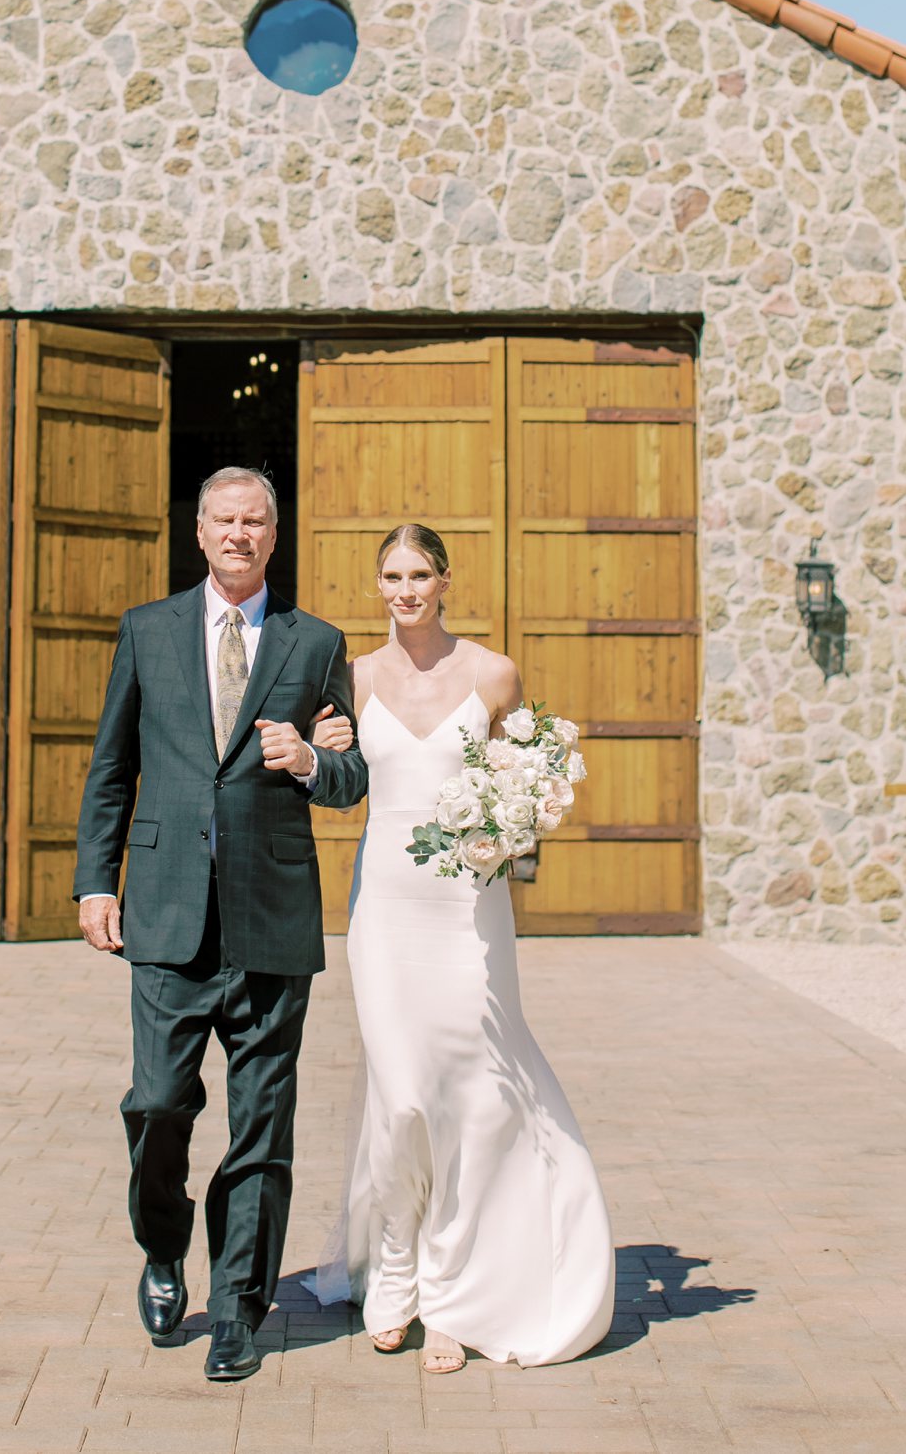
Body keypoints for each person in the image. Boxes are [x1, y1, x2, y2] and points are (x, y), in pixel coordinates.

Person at [74, 467, 368, 1384]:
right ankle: (163, 1249)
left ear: (274, 536)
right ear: (198, 532)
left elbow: (352, 777)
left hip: (272, 915)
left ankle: (240, 1305)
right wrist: (96, 883)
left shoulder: (317, 642)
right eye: (223, 520)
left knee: (261, 1125)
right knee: (158, 1103)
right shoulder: (147, 630)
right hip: (165, 913)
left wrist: (311, 760)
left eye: (255, 521)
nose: (239, 534)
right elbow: (112, 766)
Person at [308, 522, 615, 1372]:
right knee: (403, 1096)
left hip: (468, 911)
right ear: (378, 586)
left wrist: (521, 824)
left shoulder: (493, 674)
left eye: (419, 575)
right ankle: (392, 1270)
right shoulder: (352, 677)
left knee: (472, 1099)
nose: (405, 590)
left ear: (445, 580)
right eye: (391, 577)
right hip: (385, 911)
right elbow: (338, 782)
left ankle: (448, 1296)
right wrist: (324, 755)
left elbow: (530, 778)